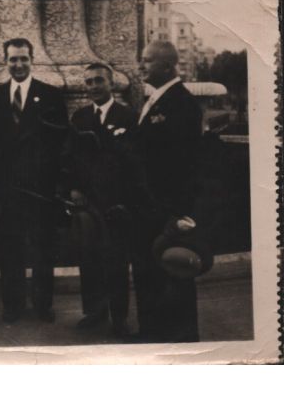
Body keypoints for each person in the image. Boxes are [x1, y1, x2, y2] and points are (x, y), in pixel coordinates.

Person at [0, 38, 68, 324]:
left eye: (23, 58)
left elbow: (61, 142)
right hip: (8, 187)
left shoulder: (50, 95)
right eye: (13, 59)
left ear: (32, 60)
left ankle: (42, 305)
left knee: (42, 248)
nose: (19, 64)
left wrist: (56, 184)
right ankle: (12, 305)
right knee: (10, 248)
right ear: (5, 62)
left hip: (39, 188)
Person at [133, 40, 203, 342]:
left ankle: (181, 341)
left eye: (147, 60)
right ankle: (152, 334)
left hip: (165, 209)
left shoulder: (181, 103)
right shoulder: (157, 99)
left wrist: (178, 213)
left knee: (173, 272)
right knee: (151, 272)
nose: (141, 66)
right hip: (149, 207)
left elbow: (187, 164)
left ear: (166, 65)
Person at [64, 63, 138, 337]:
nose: (93, 86)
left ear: (111, 84)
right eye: (89, 82)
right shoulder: (80, 117)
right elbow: (70, 158)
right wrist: (73, 189)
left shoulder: (128, 117)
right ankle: (95, 312)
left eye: (99, 80)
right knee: (89, 257)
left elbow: (134, 163)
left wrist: (126, 200)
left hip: (116, 201)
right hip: (88, 201)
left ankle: (118, 318)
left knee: (116, 260)